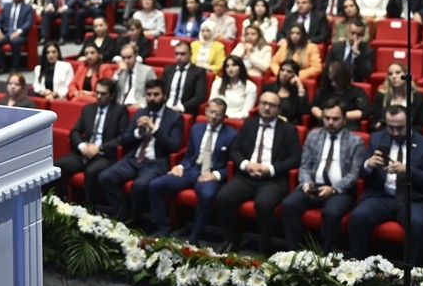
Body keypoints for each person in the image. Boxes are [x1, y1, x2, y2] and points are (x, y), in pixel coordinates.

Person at [348, 106, 423, 265]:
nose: (395, 132)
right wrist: (368, 165)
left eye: (400, 128)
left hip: (412, 199)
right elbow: (361, 174)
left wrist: (408, 171)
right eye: (391, 127)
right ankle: (358, 268)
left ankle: (413, 274)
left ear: (409, 123)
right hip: (381, 197)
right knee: (358, 217)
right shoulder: (377, 139)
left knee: (417, 224)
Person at [213, 91, 301, 255]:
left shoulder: (289, 130)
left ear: (279, 109)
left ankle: (264, 246)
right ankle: (231, 240)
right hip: (247, 176)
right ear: (258, 105)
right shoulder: (249, 124)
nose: (267, 108)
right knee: (223, 197)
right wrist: (246, 165)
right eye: (263, 103)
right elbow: (235, 150)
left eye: (272, 105)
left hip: (272, 179)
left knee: (264, 204)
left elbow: (295, 158)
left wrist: (271, 169)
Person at [147, 98, 238, 242]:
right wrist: (180, 166)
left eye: (218, 114)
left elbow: (233, 164)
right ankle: (162, 228)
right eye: (211, 112)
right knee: (156, 185)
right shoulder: (197, 128)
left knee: (207, 195)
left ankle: (194, 236)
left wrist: (216, 175)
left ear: (224, 116)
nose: (214, 116)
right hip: (192, 169)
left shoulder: (232, 134)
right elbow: (189, 154)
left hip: (210, 173)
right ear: (206, 111)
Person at [280, 100, 365, 252]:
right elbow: (304, 165)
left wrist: (333, 189)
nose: (330, 122)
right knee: (288, 205)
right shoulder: (313, 135)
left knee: (331, 213)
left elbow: (354, 174)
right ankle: (296, 254)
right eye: (327, 118)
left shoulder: (355, 141)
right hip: (313, 185)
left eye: (335, 119)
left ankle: (324, 257)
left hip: (339, 190)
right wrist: (305, 183)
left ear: (344, 120)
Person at [97, 80, 183, 223]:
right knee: (105, 177)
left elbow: (174, 146)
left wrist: (154, 129)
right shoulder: (140, 113)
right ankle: (124, 216)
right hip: (134, 159)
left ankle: (135, 221)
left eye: (156, 94)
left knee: (140, 185)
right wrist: (139, 132)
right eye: (149, 95)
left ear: (165, 96)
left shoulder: (175, 117)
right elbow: (125, 139)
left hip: (155, 162)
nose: (152, 98)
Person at [52, 77, 128, 207]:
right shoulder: (88, 108)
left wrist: (99, 148)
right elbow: (75, 132)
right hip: (83, 152)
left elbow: (123, 138)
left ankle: (89, 211)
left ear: (111, 95)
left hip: (104, 155)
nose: (98, 96)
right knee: (55, 167)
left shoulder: (119, 111)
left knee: (92, 172)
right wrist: (82, 146)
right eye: (97, 92)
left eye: (103, 94)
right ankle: (61, 204)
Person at [369, 62, 423, 133]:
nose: (393, 76)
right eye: (390, 74)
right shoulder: (381, 96)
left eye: (398, 73)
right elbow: (373, 121)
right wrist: (377, 126)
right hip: (385, 135)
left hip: (410, 137)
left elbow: (421, 124)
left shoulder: (418, 96)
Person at [0, 0, 34, 73]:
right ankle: (1, 66)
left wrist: (19, 31)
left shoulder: (27, 8)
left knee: (15, 41)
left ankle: (15, 67)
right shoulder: (6, 6)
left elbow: (28, 22)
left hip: (19, 34)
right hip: (6, 33)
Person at [310, 60, 369, 125]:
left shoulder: (356, 91)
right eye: (331, 81)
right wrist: (323, 115)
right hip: (324, 125)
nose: (333, 84)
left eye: (336, 81)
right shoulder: (324, 90)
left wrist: (340, 116)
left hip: (348, 125)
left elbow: (365, 112)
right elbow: (314, 106)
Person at [161, 40, 206, 116]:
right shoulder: (168, 70)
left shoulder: (198, 72)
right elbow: (161, 90)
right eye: (176, 54)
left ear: (190, 54)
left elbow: (199, 96)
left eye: (183, 54)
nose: (179, 57)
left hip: (184, 110)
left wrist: (181, 107)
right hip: (165, 107)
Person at [325, 18, 376, 83]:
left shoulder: (368, 51)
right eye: (352, 33)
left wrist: (357, 55)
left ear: (363, 35)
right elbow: (327, 69)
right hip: (336, 83)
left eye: (359, 35)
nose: (355, 37)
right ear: (347, 31)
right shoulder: (336, 47)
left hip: (355, 85)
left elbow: (365, 74)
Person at [208, 55, 257, 120]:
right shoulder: (217, 83)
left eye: (234, 65)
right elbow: (211, 103)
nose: (230, 69)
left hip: (237, 121)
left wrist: (227, 116)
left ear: (241, 67)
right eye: (227, 66)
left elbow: (246, 113)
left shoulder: (250, 87)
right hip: (216, 118)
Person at [261, 58, 309, 124]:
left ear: (295, 75)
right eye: (282, 70)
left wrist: (300, 87)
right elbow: (261, 108)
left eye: (289, 71)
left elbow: (303, 112)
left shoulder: (297, 92)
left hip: (288, 126)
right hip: (268, 122)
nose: (284, 74)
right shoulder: (268, 88)